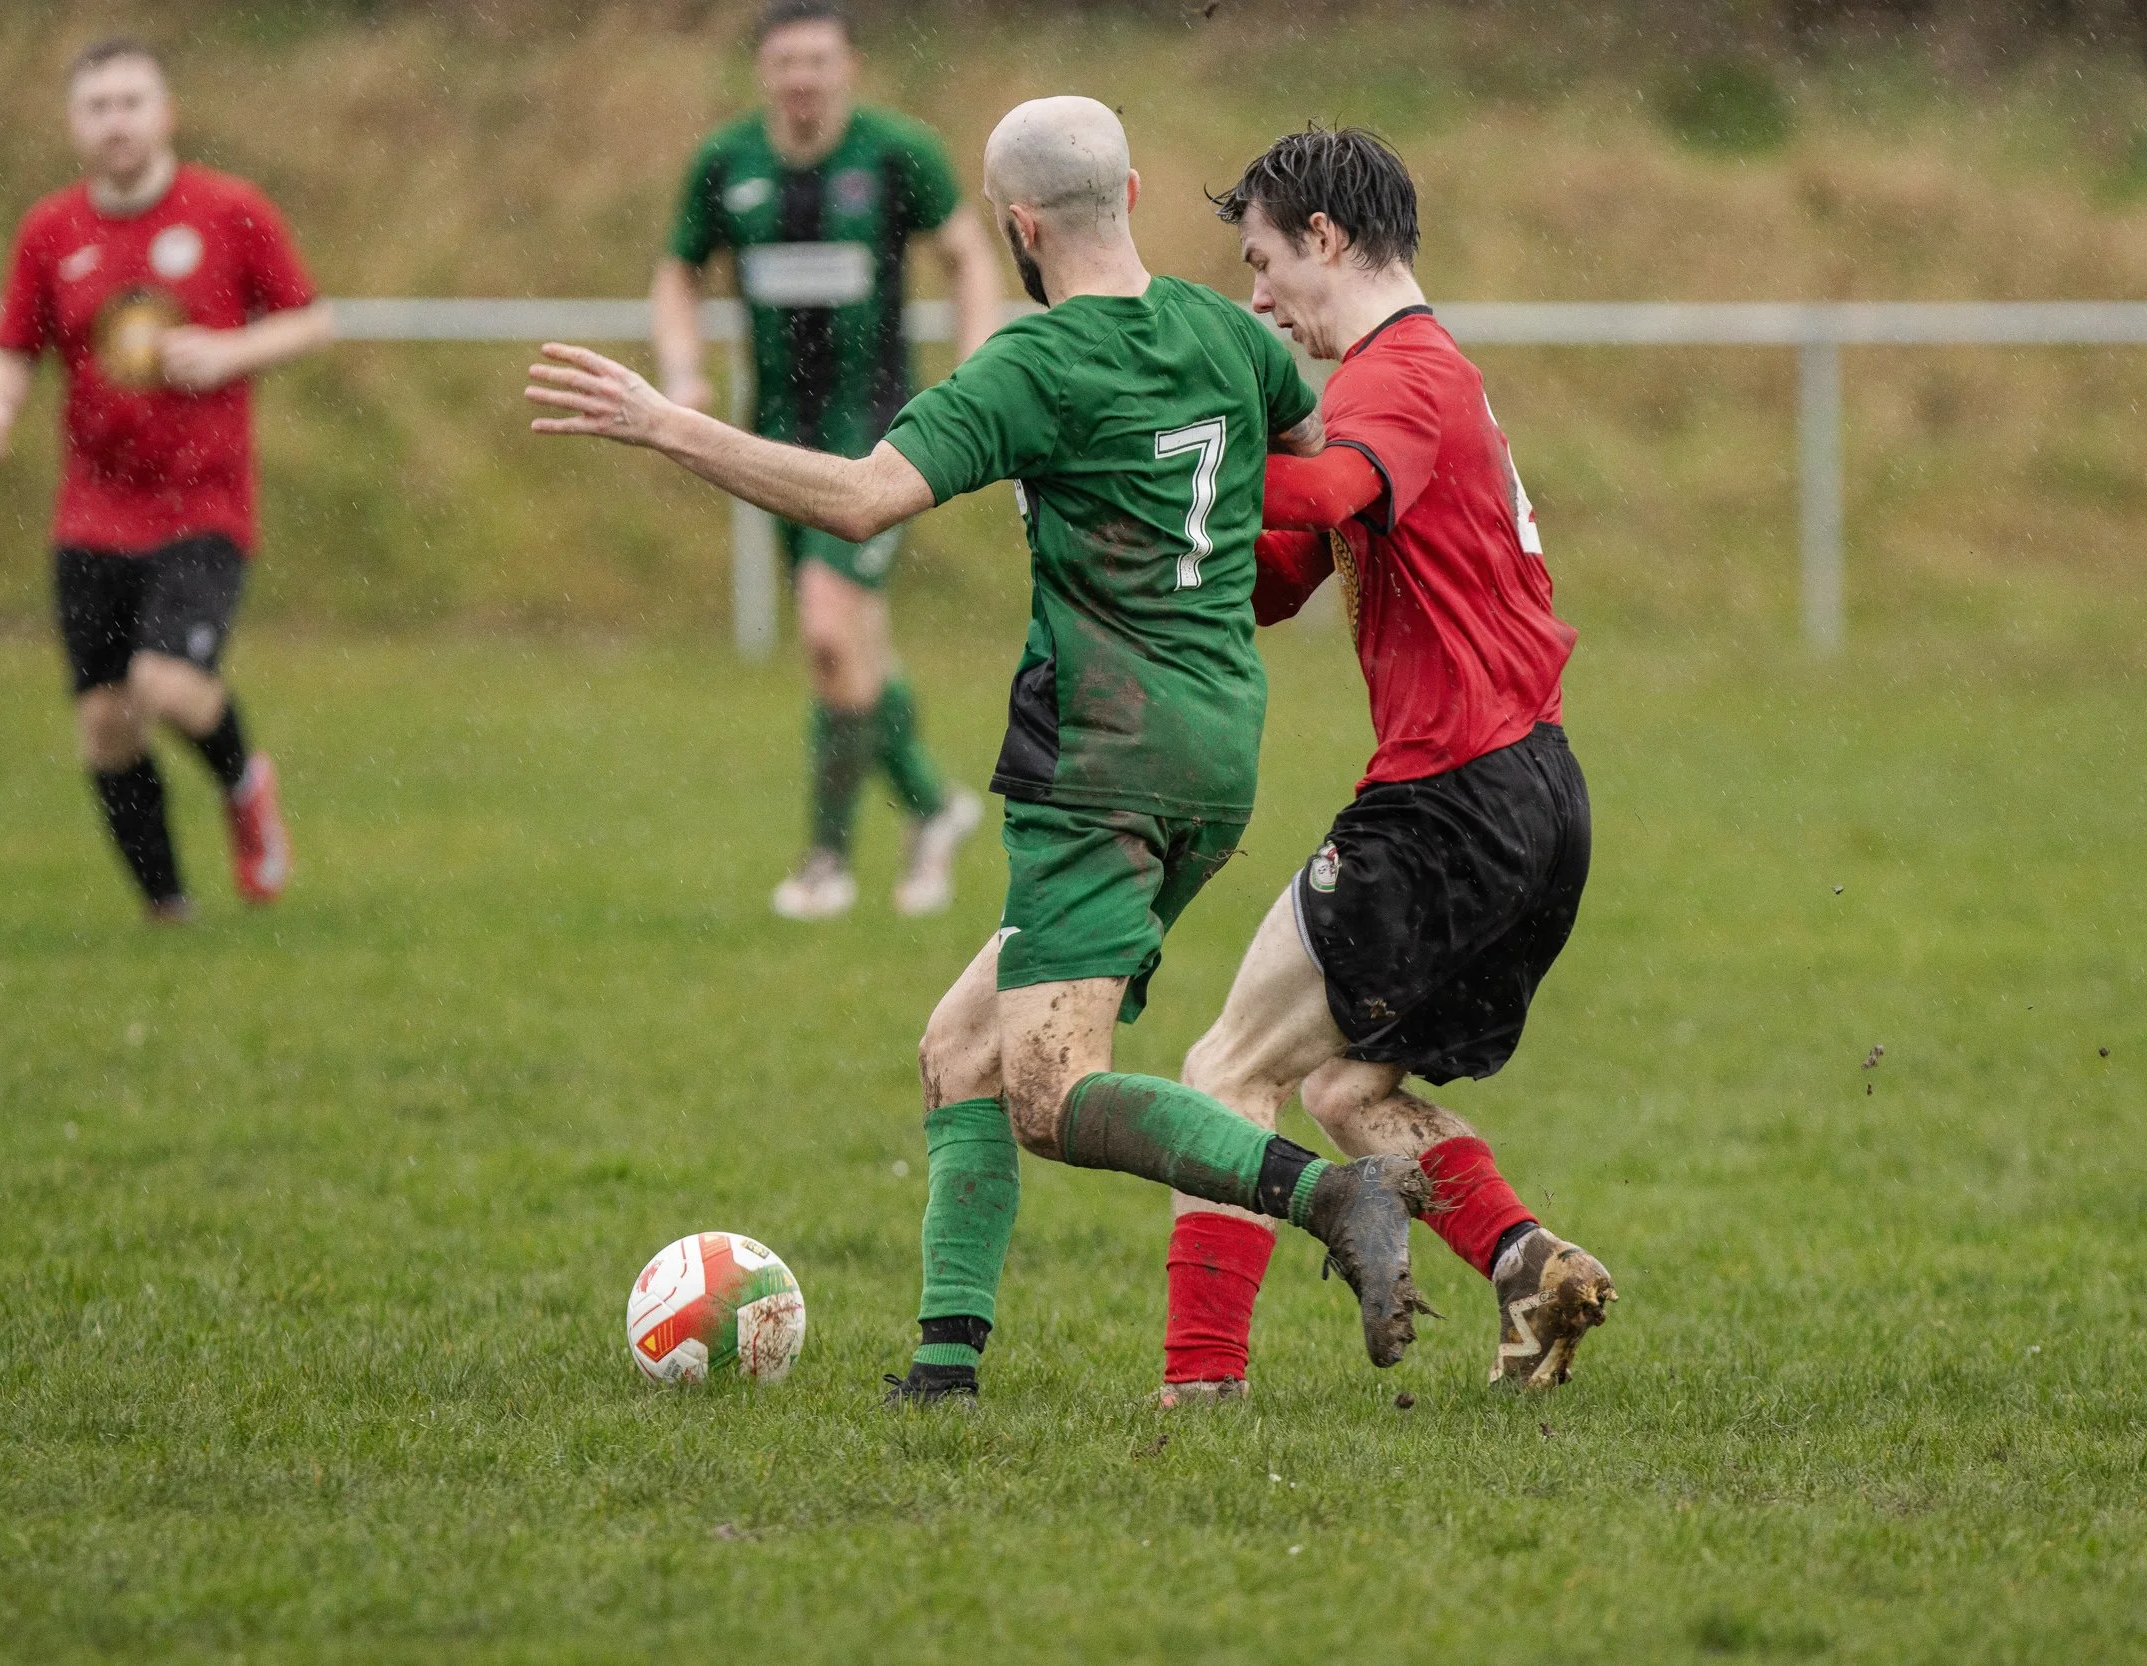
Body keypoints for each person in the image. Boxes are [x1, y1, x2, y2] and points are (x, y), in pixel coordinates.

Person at [529, 96, 1436, 1406]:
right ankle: (942, 1373)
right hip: (1218, 744)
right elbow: (1309, 456)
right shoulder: (1226, 332)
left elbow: (859, 499)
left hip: (1099, 758)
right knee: (959, 1046)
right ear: (1128, 191)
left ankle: (1329, 1193)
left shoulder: (1032, 364)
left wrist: (666, 423)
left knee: (1050, 1091)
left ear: (1016, 225)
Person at [1153, 127, 1617, 1406]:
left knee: (1226, 1075)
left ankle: (1200, 1383)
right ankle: (1527, 1265)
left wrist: (1186, 443)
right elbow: (1275, 568)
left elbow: (1325, 485)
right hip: (1533, 797)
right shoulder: (1405, 381)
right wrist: (1142, 534)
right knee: (1347, 1089)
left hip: (1450, 799)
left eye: (1260, 261)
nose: (1254, 297)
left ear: (1323, 238)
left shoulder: (1397, 376)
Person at [0, 38, 331, 922]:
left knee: (165, 685)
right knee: (106, 721)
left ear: (165, 114)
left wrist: (231, 350)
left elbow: (313, 322)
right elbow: (12, 348)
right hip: (92, 512)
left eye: (132, 102)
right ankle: (169, 909)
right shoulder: (50, 232)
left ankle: (245, 785)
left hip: (203, 503)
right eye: (98, 106)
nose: (116, 121)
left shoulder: (229, 210)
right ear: (73, 127)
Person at [653, 0, 1002, 921]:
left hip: (880, 436)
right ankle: (932, 808)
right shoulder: (728, 165)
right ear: (764, 71)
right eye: (785, 62)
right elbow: (676, 270)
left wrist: (978, 362)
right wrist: (683, 369)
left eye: (818, 60)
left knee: (824, 631)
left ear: (848, 66)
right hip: (769, 442)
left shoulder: (897, 155)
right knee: (852, 653)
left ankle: (825, 862)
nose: (802, 78)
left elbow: (967, 251)